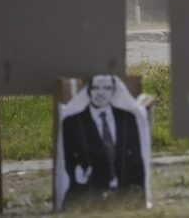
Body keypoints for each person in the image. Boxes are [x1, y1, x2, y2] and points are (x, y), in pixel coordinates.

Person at [61, 75, 144, 206]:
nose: (101, 93)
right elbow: (68, 159)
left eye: (107, 88)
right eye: (96, 88)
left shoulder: (128, 118)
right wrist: (77, 173)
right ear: (89, 91)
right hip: (89, 194)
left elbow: (137, 158)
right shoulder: (72, 123)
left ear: (113, 91)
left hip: (125, 194)